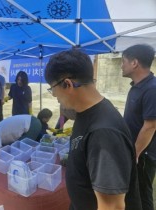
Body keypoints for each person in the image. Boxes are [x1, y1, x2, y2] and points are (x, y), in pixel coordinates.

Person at [45, 49, 142, 210]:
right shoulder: (88, 110)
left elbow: (112, 206)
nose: (55, 97)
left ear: (67, 84)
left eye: (52, 90)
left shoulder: (103, 135)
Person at [122, 44, 156, 210]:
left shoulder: (152, 89)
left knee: (143, 193)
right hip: (135, 151)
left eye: (124, 61)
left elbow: (150, 126)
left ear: (134, 63)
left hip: (143, 154)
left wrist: (135, 153)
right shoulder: (136, 86)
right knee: (134, 193)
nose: (122, 65)